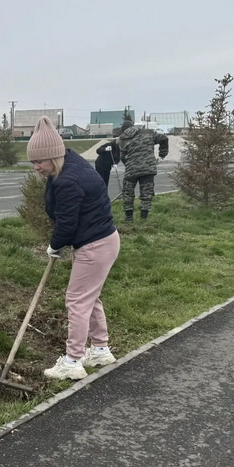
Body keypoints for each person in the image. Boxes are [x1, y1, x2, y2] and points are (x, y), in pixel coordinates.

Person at [27, 116, 121, 380]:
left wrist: (54, 245)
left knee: (77, 301)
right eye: (33, 162)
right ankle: (100, 350)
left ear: (53, 155)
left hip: (95, 246)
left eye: (39, 161)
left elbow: (67, 224)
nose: (36, 167)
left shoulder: (68, 180)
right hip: (104, 241)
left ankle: (72, 361)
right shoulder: (69, 162)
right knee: (90, 297)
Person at [117, 120, 169, 222]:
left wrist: (129, 165)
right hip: (148, 168)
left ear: (123, 130)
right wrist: (162, 154)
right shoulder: (148, 132)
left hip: (131, 169)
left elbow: (122, 156)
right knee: (146, 193)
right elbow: (164, 138)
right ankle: (143, 218)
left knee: (128, 193)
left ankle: (129, 217)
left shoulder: (122, 139)